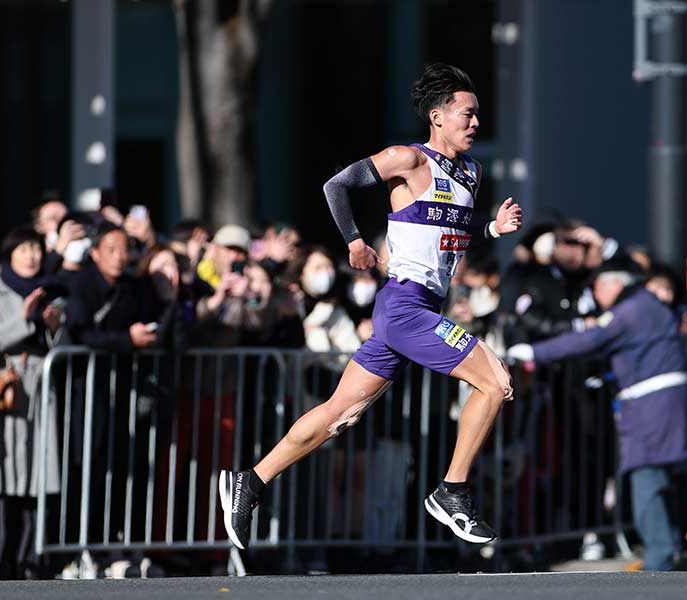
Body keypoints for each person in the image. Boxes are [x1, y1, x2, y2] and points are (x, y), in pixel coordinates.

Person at [219, 63, 523, 549]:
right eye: (467, 114)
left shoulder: (471, 172)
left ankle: (251, 481)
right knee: (496, 382)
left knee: (341, 414)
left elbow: (448, 235)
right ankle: (452, 490)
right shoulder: (408, 158)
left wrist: (490, 230)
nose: (476, 124)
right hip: (404, 308)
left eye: (477, 115)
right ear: (437, 116)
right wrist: (355, 241)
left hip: (419, 308)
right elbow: (335, 186)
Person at [507, 256, 687, 571]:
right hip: (662, 400)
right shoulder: (646, 307)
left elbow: (588, 340)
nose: (595, 295)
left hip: (652, 404)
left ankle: (661, 555)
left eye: (598, 287)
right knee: (659, 476)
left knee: (644, 474)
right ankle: (670, 546)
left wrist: (535, 352)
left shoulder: (630, 311)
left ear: (615, 284)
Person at [0, 226, 66, 577]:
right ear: (10, 254)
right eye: (23, 249)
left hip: (41, 386)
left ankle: (33, 557)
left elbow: (65, 340)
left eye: (35, 248)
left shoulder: (49, 290)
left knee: (37, 474)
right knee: (5, 474)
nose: (31, 256)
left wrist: (53, 326)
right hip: (8, 387)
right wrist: (26, 318)